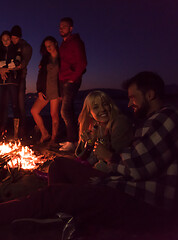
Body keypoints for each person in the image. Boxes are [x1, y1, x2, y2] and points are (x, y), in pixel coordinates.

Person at [0, 71, 178, 233]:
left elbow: (137, 167)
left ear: (151, 94)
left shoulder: (168, 118)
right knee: (58, 166)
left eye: (133, 97)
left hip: (140, 201)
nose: (129, 103)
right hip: (122, 183)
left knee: (53, 193)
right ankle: (61, 218)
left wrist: (108, 156)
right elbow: (103, 157)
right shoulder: (153, 122)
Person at [73, 90, 133, 173]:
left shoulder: (120, 122)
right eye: (96, 107)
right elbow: (81, 157)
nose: (102, 109)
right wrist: (89, 142)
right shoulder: (96, 126)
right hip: (99, 169)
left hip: (114, 172)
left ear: (110, 106)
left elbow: (118, 159)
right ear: (90, 113)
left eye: (105, 104)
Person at [58, 17, 87, 152]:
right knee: (69, 110)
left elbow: (82, 63)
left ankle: (72, 141)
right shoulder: (63, 44)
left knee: (64, 110)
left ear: (71, 28)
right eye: (60, 26)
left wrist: (73, 78)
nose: (61, 28)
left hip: (71, 80)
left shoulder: (76, 42)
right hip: (64, 80)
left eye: (64, 26)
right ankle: (73, 140)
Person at [31, 36, 61, 144]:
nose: (48, 48)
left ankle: (53, 139)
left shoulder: (62, 57)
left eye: (50, 45)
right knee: (34, 111)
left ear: (55, 43)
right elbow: (40, 75)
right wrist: (39, 90)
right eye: (46, 46)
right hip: (45, 90)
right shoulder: (45, 58)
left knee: (54, 114)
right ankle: (45, 133)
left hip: (56, 90)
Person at [0, 30, 21, 140]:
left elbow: (17, 63)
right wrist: (3, 67)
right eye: (3, 40)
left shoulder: (16, 49)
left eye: (7, 39)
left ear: (11, 39)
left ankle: (16, 134)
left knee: (14, 105)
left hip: (12, 80)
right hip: (0, 81)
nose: (5, 42)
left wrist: (3, 68)